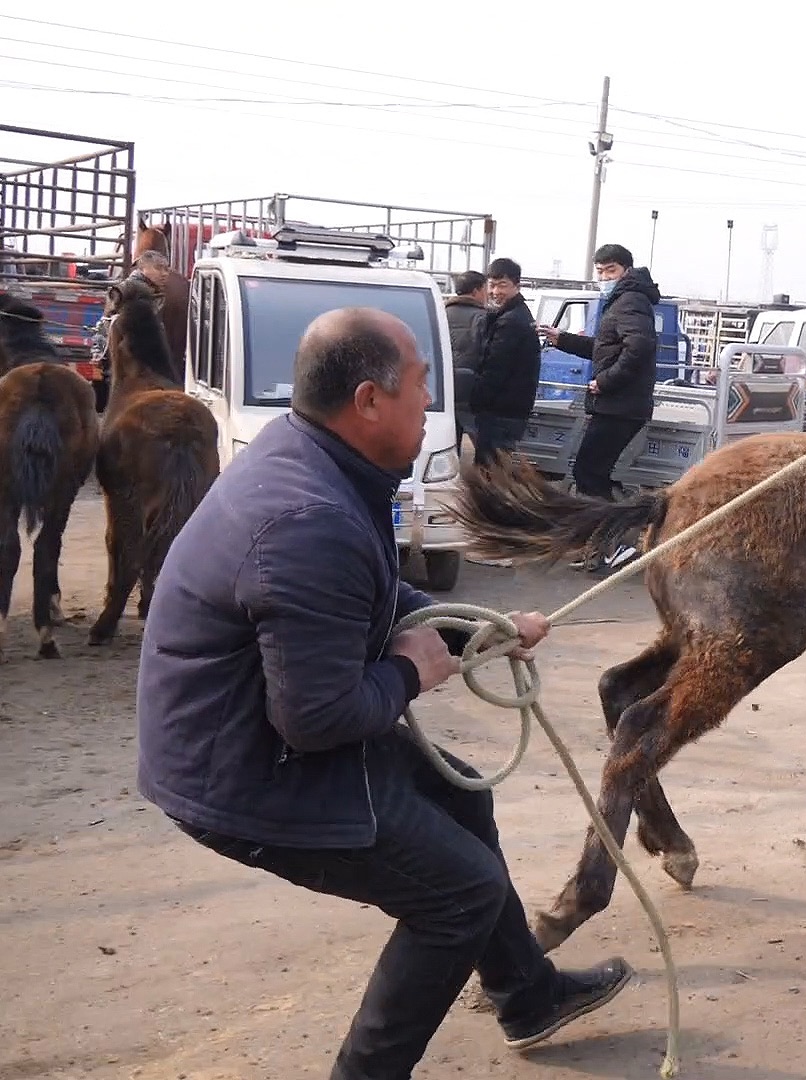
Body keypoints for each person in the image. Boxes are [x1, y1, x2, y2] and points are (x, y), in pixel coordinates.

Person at [133, 307, 632, 1080]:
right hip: (247, 769)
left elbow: (373, 596)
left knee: (459, 799)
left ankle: (526, 993)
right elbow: (319, 718)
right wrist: (411, 671)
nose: (430, 403)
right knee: (458, 895)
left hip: (258, 736)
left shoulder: (312, 460)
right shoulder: (309, 517)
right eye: (421, 385)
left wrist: (482, 629)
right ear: (368, 401)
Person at [538, 244, 661, 569]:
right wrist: (562, 339)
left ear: (625, 270)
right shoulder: (624, 300)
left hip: (620, 405)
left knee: (588, 473)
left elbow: (639, 347)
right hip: (617, 405)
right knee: (594, 475)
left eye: (610, 271)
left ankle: (616, 543)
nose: (604, 277)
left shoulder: (631, 300)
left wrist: (605, 381)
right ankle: (600, 546)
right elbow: (605, 348)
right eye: (600, 272)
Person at [469, 257, 542, 465]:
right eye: (492, 285)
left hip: (502, 411)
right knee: (498, 469)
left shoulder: (511, 321)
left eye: (503, 285)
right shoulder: (514, 315)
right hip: (510, 409)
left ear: (516, 286)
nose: (495, 292)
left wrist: (476, 399)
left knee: (490, 472)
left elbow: (495, 368)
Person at [443, 269, 488, 453]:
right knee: (484, 448)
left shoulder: (441, 312)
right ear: (477, 291)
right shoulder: (483, 317)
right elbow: (486, 352)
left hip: (445, 389)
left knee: (448, 444)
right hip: (471, 390)